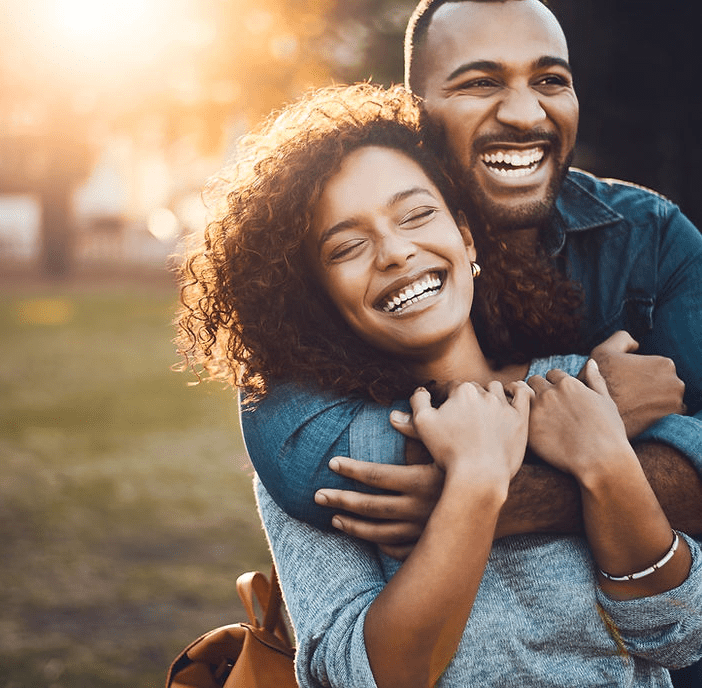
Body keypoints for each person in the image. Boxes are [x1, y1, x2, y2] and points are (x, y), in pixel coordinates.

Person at [177, 83, 702, 687]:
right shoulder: (329, 457)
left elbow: (680, 634)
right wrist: (475, 484)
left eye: (416, 215)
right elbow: (364, 677)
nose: (396, 252)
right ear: (316, 297)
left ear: (466, 237)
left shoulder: (578, 387)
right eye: (348, 246)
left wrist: (605, 462)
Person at [240, 0, 702, 563]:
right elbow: (306, 458)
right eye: (481, 82)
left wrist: (528, 496)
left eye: (550, 80)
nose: (527, 114)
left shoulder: (648, 236)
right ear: (417, 112)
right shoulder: (345, 249)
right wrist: (593, 412)